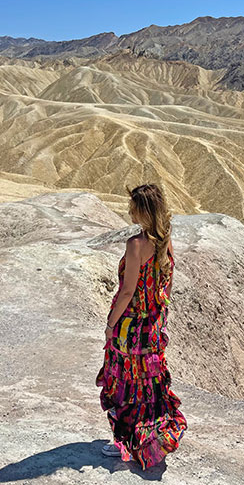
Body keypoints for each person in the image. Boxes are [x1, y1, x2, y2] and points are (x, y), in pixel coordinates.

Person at [95, 183, 187, 469]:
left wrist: (111, 325)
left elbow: (127, 291)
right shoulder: (165, 238)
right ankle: (154, 437)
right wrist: (160, 317)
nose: (129, 211)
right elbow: (167, 284)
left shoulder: (135, 244)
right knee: (150, 385)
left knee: (126, 384)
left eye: (133, 206)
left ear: (142, 210)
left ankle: (128, 441)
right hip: (154, 323)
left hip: (131, 325)